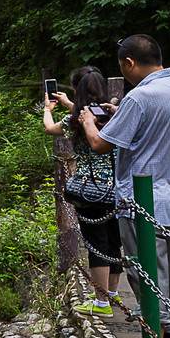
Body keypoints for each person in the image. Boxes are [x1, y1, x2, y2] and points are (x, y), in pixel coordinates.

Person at [77, 32, 170, 338]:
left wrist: (89, 122)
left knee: (146, 277)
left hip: (143, 204)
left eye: (122, 67)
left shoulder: (141, 96)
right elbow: (158, 126)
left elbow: (101, 144)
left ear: (129, 63)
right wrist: (121, 112)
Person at [43, 66, 122, 316]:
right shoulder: (115, 115)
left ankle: (100, 303)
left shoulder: (75, 118)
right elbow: (92, 118)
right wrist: (70, 104)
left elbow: (50, 128)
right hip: (118, 189)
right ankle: (111, 294)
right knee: (113, 243)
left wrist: (48, 109)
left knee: (96, 245)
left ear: (77, 91)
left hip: (91, 191)